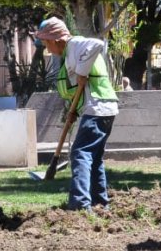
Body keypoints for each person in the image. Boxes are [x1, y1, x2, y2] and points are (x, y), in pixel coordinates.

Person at [34, 16, 119, 212]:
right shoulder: (68, 53)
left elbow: (98, 43)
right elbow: (78, 88)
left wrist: (82, 70)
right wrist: (73, 111)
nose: (47, 49)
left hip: (98, 106)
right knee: (94, 157)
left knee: (80, 153)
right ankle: (100, 203)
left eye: (46, 42)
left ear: (57, 39)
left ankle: (80, 204)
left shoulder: (75, 44)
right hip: (99, 107)